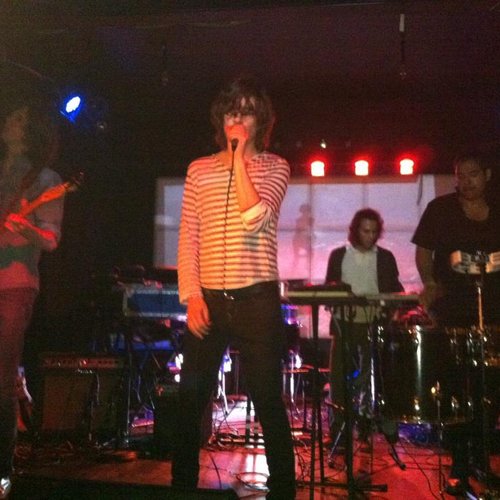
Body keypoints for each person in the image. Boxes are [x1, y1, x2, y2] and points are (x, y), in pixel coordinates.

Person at [172, 77, 296, 498]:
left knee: (268, 400)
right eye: (230, 111)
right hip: (208, 299)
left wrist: (239, 160)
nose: (236, 118)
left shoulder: (276, 167)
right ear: (219, 118)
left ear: (261, 120)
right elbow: (189, 236)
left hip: (256, 300)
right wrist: (191, 297)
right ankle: (180, 488)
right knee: (191, 398)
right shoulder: (199, 169)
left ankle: (283, 490)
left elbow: (255, 218)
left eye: (246, 112)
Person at [412, 152, 500, 495]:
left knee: (489, 391)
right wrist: (430, 283)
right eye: (460, 176)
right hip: (453, 312)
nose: (466, 182)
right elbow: (423, 250)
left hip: (494, 312)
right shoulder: (441, 209)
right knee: (459, 390)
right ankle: (459, 466)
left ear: (487, 174)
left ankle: (482, 460)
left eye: (473, 174)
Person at [0, 90, 64, 499]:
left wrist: (25, 228)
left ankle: (2, 472)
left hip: (15, 284)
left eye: (17, 119)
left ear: (30, 132)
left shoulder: (46, 179)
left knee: (1, 377)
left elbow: (51, 239)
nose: (8, 121)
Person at [325, 208, 403, 444]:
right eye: (365, 231)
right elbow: (329, 288)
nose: (370, 236)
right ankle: (339, 429)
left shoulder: (385, 257)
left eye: (373, 232)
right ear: (355, 231)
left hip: (375, 323)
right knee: (338, 379)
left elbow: (396, 290)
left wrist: (392, 309)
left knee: (376, 377)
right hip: (344, 323)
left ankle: (372, 423)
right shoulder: (339, 255)